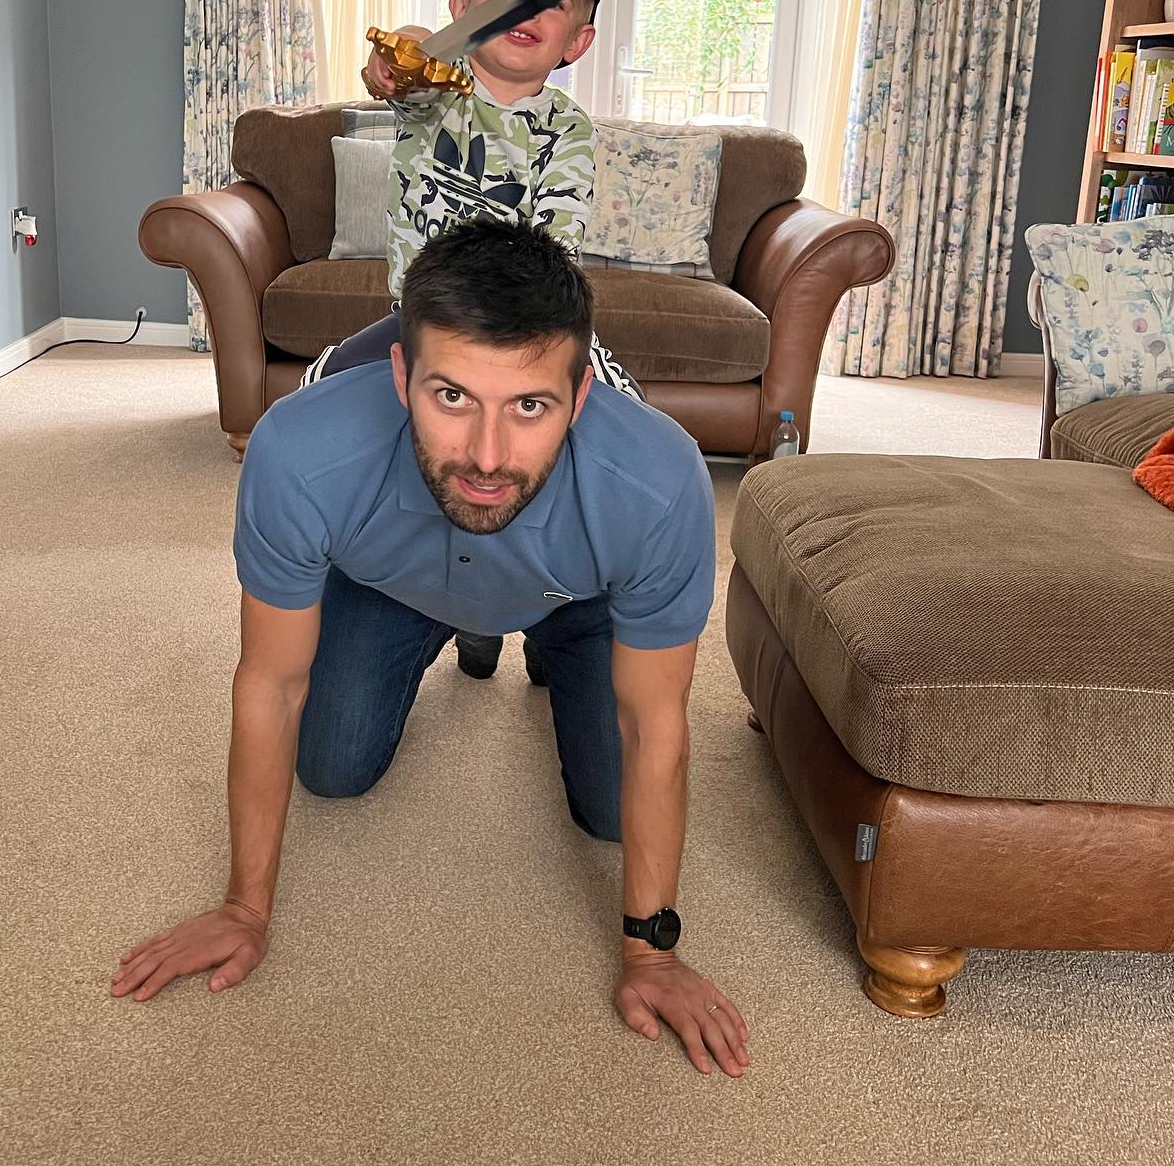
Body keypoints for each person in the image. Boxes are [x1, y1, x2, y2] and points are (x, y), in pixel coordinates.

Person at [112, 221, 750, 1080]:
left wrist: (651, 954)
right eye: (452, 398)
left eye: (530, 406)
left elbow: (656, 727)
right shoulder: (298, 452)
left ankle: (528, 635)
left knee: (611, 811)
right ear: (402, 375)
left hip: (578, 597)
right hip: (395, 581)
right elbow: (270, 685)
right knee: (330, 766)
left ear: (582, 397)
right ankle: (466, 621)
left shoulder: (658, 479)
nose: (487, 455)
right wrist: (242, 909)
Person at [306, 0, 640, 681]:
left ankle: (553, 599)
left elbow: (554, 247)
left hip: (530, 332)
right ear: (466, 13)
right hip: (423, 327)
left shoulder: (570, 131)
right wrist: (399, 64)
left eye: (554, 3)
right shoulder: (439, 94)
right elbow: (400, 76)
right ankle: (416, 590)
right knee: (324, 402)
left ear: (579, 41)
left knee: (620, 426)